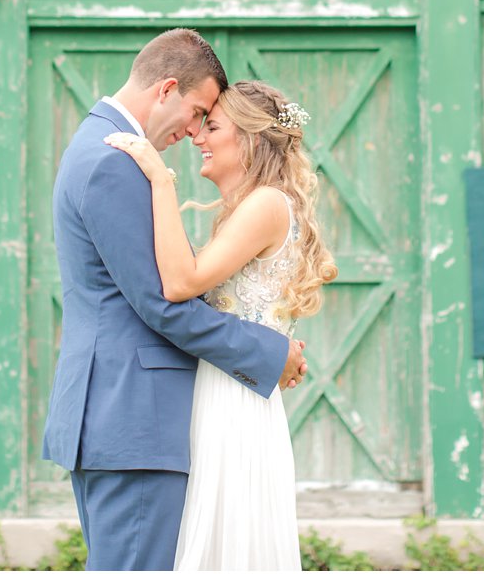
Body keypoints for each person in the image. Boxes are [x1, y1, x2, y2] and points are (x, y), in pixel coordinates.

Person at [41, 29, 308, 572]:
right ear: (166, 89)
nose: (193, 133)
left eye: (209, 123)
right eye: (197, 113)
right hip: (133, 415)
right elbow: (162, 303)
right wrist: (269, 353)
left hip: (124, 411)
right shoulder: (115, 160)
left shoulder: (98, 146)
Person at [105, 79, 338, 571]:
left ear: (251, 140)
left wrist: (160, 180)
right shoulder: (256, 207)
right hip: (230, 390)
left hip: (234, 401)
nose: (198, 138)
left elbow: (181, 283)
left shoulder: (265, 204)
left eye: (211, 126)